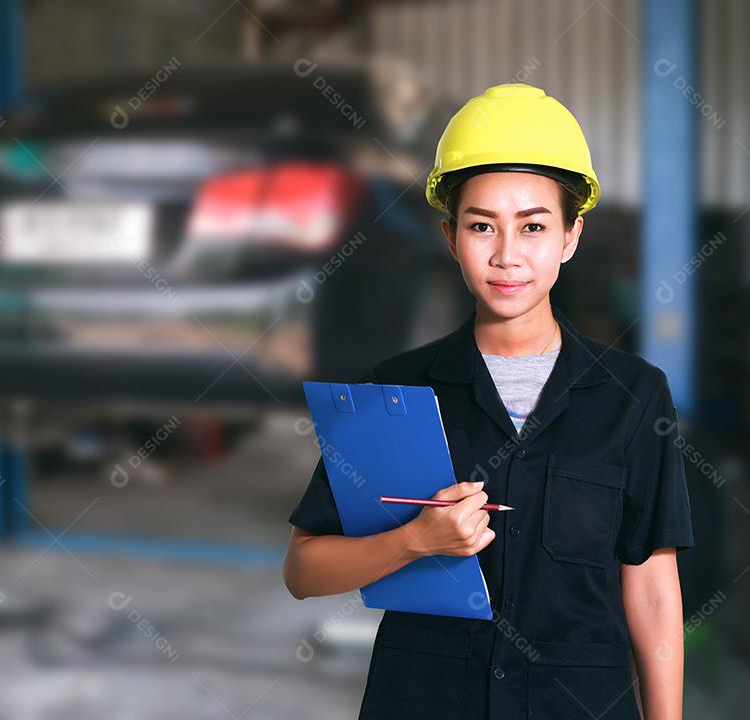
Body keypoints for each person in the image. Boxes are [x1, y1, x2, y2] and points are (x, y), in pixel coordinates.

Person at [282, 83, 695, 720]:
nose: (506, 255)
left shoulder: (633, 396)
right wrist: (416, 540)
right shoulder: (397, 388)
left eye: (533, 226)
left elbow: (652, 588)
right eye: (482, 226)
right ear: (450, 237)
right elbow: (304, 572)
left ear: (570, 236)